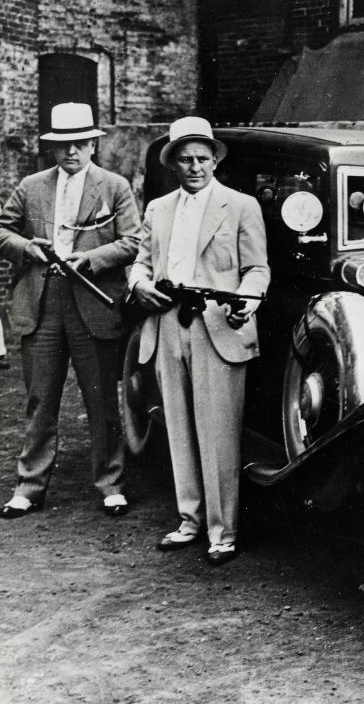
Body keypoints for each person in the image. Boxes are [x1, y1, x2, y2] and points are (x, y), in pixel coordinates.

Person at [129, 116, 269, 566]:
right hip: (168, 321)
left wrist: (247, 302)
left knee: (218, 431)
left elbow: (257, 269)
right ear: (173, 164)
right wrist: (138, 285)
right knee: (179, 427)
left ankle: (222, 531)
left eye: (203, 159)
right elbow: (141, 262)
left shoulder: (241, 205)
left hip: (218, 325)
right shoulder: (158, 208)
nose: (195, 167)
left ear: (215, 161)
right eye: (186, 159)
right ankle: (189, 519)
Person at [0, 102, 142, 518]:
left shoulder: (114, 186)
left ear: (93, 144)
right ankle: (29, 486)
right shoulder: (32, 185)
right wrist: (27, 247)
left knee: (101, 400)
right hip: (42, 302)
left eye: (80, 143)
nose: (72, 152)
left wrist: (93, 259)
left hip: (93, 301)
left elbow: (134, 240)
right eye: (63, 145)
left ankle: (110, 484)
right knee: (40, 398)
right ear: (52, 148)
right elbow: (1, 229)